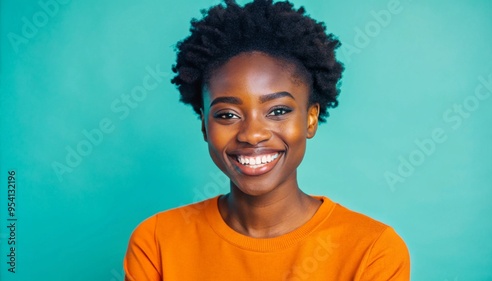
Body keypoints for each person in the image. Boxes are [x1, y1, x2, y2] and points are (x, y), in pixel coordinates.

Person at [124, 0, 410, 280]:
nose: (252, 134)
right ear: (204, 124)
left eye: (278, 111)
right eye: (227, 114)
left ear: (310, 119)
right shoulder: (157, 242)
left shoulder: (373, 251)